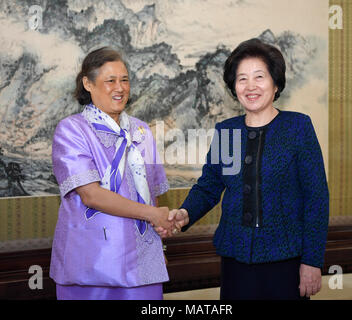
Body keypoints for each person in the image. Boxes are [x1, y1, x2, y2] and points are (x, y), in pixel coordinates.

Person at [159, 38, 329, 300]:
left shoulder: (297, 127)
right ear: (234, 87)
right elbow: (210, 186)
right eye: (242, 79)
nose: (251, 86)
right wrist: (185, 213)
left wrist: (312, 261)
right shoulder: (227, 131)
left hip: (286, 262)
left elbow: (316, 199)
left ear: (275, 83)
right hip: (235, 259)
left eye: (259, 77)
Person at [50, 47, 174, 300]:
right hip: (91, 260)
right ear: (88, 83)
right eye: (110, 80)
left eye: (124, 80)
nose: (120, 87)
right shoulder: (72, 130)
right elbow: (91, 195)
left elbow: (151, 193)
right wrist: (152, 213)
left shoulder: (140, 131)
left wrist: (159, 235)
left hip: (143, 260)